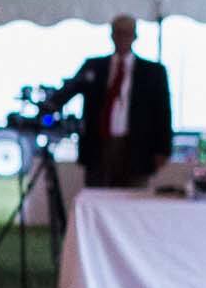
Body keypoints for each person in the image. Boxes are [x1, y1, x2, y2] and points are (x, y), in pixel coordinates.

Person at [46, 14, 174, 188]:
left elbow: (163, 112)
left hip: (137, 149)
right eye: (118, 33)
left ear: (135, 36)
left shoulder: (153, 72)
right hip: (98, 147)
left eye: (127, 33)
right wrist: (49, 105)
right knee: (97, 194)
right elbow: (68, 91)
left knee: (132, 196)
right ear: (112, 35)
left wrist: (163, 149)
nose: (122, 38)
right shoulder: (93, 66)